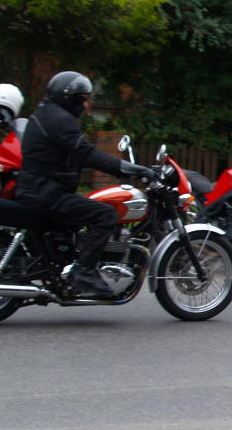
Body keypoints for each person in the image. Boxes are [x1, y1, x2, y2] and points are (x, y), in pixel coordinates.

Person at [17, 71, 151, 296]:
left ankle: (73, 264)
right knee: (105, 214)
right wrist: (129, 169)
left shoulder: (48, 114)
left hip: (41, 190)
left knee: (85, 210)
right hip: (47, 194)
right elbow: (87, 154)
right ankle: (84, 271)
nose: (87, 105)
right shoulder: (60, 119)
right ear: (68, 97)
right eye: (83, 99)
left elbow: (73, 156)